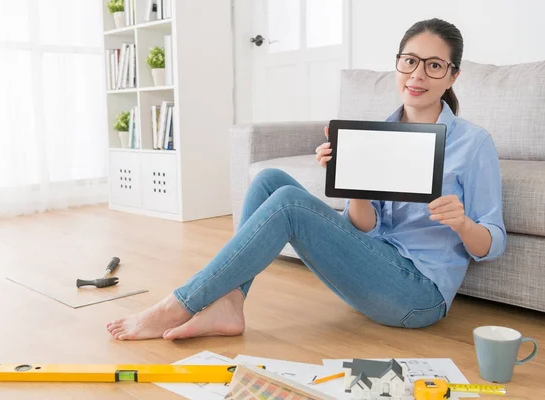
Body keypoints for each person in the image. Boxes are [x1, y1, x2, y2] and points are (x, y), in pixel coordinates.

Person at [106, 18, 506, 341]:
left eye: (434, 65)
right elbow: (361, 228)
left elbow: (493, 242)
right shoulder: (375, 134)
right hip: (374, 267)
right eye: (410, 61)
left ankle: (178, 304)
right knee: (269, 180)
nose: (418, 74)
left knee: (289, 205)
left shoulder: (473, 143)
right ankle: (229, 304)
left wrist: (463, 224)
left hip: (419, 295)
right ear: (397, 64)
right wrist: (350, 182)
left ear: (452, 75)